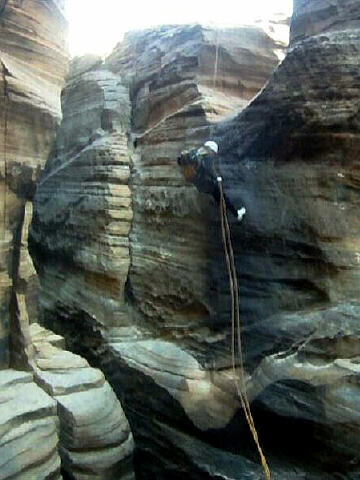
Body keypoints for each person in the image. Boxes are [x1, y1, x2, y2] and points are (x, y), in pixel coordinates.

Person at [178, 141, 246, 221]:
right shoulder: (206, 156)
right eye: (213, 153)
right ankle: (237, 214)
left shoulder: (197, 154)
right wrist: (216, 177)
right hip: (206, 184)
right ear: (211, 150)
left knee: (217, 197)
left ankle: (222, 209)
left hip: (199, 184)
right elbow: (208, 169)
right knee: (222, 197)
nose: (213, 155)